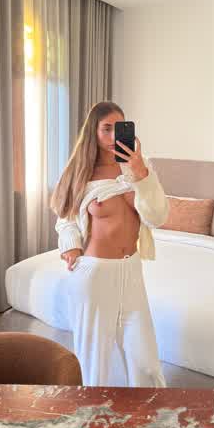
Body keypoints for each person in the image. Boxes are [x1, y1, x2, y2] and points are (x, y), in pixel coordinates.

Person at [50, 101, 169, 387]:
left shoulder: (139, 167)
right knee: (94, 363)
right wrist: (71, 245)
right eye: (106, 128)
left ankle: (146, 410)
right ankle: (92, 413)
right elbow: (65, 218)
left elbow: (157, 217)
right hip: (95, 273)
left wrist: (141, 175)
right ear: (94, 131)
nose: (114, 135)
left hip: (132, 271)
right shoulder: (82, 172)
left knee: (145, 361)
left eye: (120, 127)